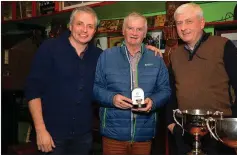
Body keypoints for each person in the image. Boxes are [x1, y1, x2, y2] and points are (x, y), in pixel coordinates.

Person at [166, 3, 237, 155]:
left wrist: (231, 129)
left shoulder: (223, 46)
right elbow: (170, 92)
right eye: (179, 23)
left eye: (189, 21)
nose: (183, 27)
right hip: (184, 133)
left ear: (201, 23)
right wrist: (172, 125)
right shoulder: (174, 54)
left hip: (218, 135)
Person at [25, 6, 102, 155]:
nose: (84, 30)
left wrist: (147, 50)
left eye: (90, 26)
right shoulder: (49, 48)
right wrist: (40, 130)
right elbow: (33, 90)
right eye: (80, 24)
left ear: (95, 30)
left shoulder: (99, 55)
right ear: (70, 25)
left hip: (83, 136)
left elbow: (122, 60)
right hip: (52, 135)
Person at [93, 12, 171, 155]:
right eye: (130, 28)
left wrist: (152, 102)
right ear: (123, 31)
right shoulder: (106, 56)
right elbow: (95, 89)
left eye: (139, 29)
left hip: (143, 134)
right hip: (113, 134)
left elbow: (165, 90)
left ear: (145, 33)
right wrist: (112, 99)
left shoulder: (156, 58)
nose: (134, 33)